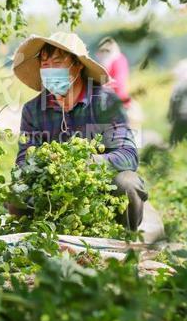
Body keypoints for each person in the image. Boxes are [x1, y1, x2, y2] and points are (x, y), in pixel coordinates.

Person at [11, 32, 148, 231]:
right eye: (45, 64)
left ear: (77, 65)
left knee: (127, 182)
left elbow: (129, 156)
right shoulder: (33, 110)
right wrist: (48, 164)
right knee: (17, 192)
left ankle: (124, 239)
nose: (50, 71)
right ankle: (38, 239)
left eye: (57, 62)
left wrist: (89, 163)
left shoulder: (105, 103)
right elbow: (23, 162)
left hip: (101, 188)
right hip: (55, 192)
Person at [96, 36, 131, 107]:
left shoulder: (119, 60)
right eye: (102, 50)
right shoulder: (105, 61)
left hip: (118, 100)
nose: (104, 52)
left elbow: (119, 82)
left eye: (106, 50)